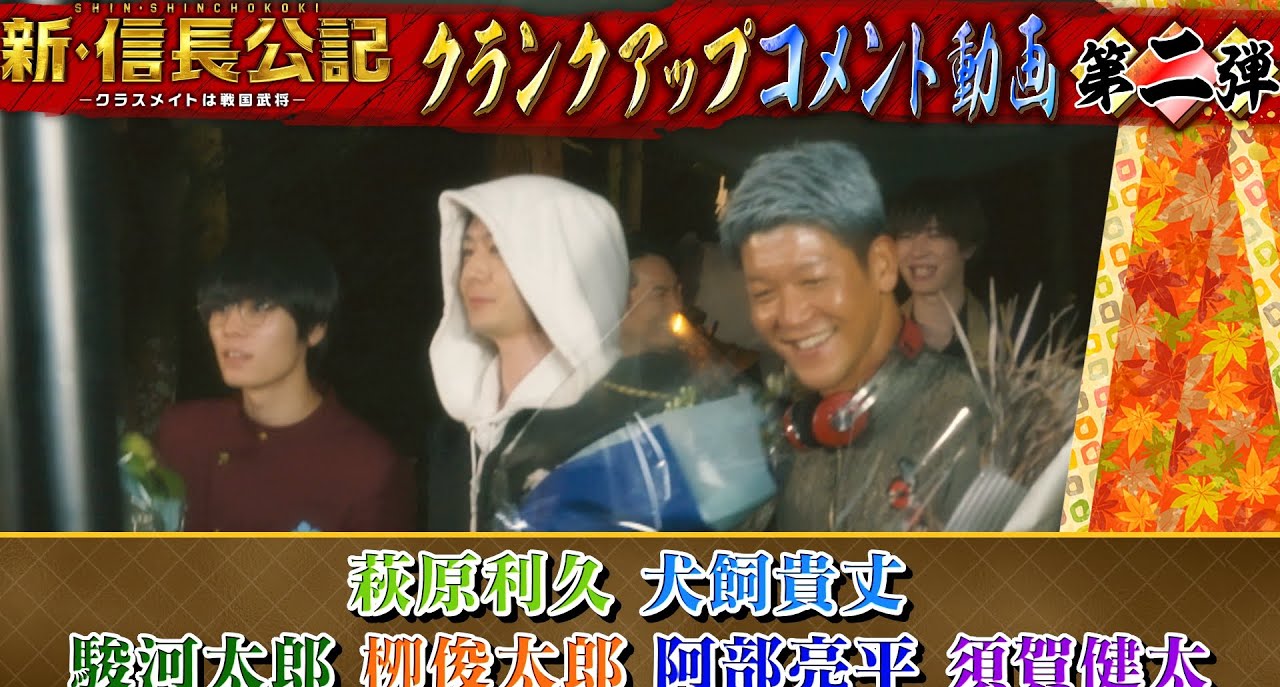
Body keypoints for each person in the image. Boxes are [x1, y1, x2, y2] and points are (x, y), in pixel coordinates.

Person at [426, 175, 773, 532]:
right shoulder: (455, 431)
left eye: (498, 250)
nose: (474, 271)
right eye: (467, 252)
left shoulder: (625, 420)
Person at [718, 141, 991, 531]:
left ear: (881, 265)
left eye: (813, 280)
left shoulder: (980, 401)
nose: (791, 317)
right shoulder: (792, 419)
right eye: (763, 293)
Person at [153, 239, 416, 531]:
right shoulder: (184, 431)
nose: (229, 328)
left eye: (259, 308)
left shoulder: (366, 468)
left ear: (314, 329)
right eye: (220, 308)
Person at [888, 179, 990, 360]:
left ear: (968, 247)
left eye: (935, 235)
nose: (917, 252)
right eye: (906, 236)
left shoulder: (1010, 335)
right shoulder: (878, 342)